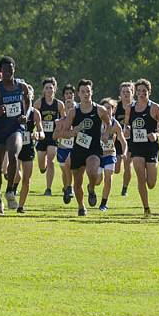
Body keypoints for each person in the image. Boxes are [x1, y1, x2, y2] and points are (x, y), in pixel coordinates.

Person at [60, 79, 118, 216]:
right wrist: (72, 132)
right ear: (79, 94)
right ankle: (81, 206)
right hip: (78, 149)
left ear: (92, 92)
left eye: (88, 91)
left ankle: (91, 188)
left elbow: (110, 125)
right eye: (83, 92)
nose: (86, 94)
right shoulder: (74, 112)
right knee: (77, 181)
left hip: (94, 149)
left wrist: (105, 134)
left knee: (92, 171)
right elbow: (64, 132)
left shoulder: (100, 109)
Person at [0, 56, 32, 215]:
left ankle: (10, 190)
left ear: (14, 70)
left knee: (13, 155)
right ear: (0, 71)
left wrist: (25, 115)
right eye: (4, 70)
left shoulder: (22, 87)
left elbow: (28, 102)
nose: (7, 72)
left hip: (15, 129)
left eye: (10, 69)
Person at [124, 78, 159, 217]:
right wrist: (127, 129)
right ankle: (146, 208)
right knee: (141, 178)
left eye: (144, 91)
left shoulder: (154, 107)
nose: (142, 94)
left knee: (151, 183)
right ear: (135, 93)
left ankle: (148, 201)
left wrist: (156, 134)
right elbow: (127, 125)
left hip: (151, 147)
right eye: (139, 91)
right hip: (136, 146)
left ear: (149, 92)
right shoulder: (130, 108)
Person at [35, 78, 64, 197]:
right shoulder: (38, 103)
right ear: (43, 90)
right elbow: (34, 118)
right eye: (46, 88)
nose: (48, 90)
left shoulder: (59, 104)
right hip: (42, 136)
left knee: (51, 159)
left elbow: (64, 120)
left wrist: (59, 125)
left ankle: (48, 188)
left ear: (55, 89)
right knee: (42, 162)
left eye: (51, 88)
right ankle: (43, 168)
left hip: (53, 136)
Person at [55, 84, 76, 205]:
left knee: (70, 167)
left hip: (73, 148)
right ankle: (66, 187)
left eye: (71, 94)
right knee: (64, 171)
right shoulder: (60, 117)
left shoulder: (78, 113)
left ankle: (70, 187)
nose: (69, 96)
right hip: (62, 147)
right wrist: (62, 133)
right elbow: (55, 134)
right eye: (67, 94)